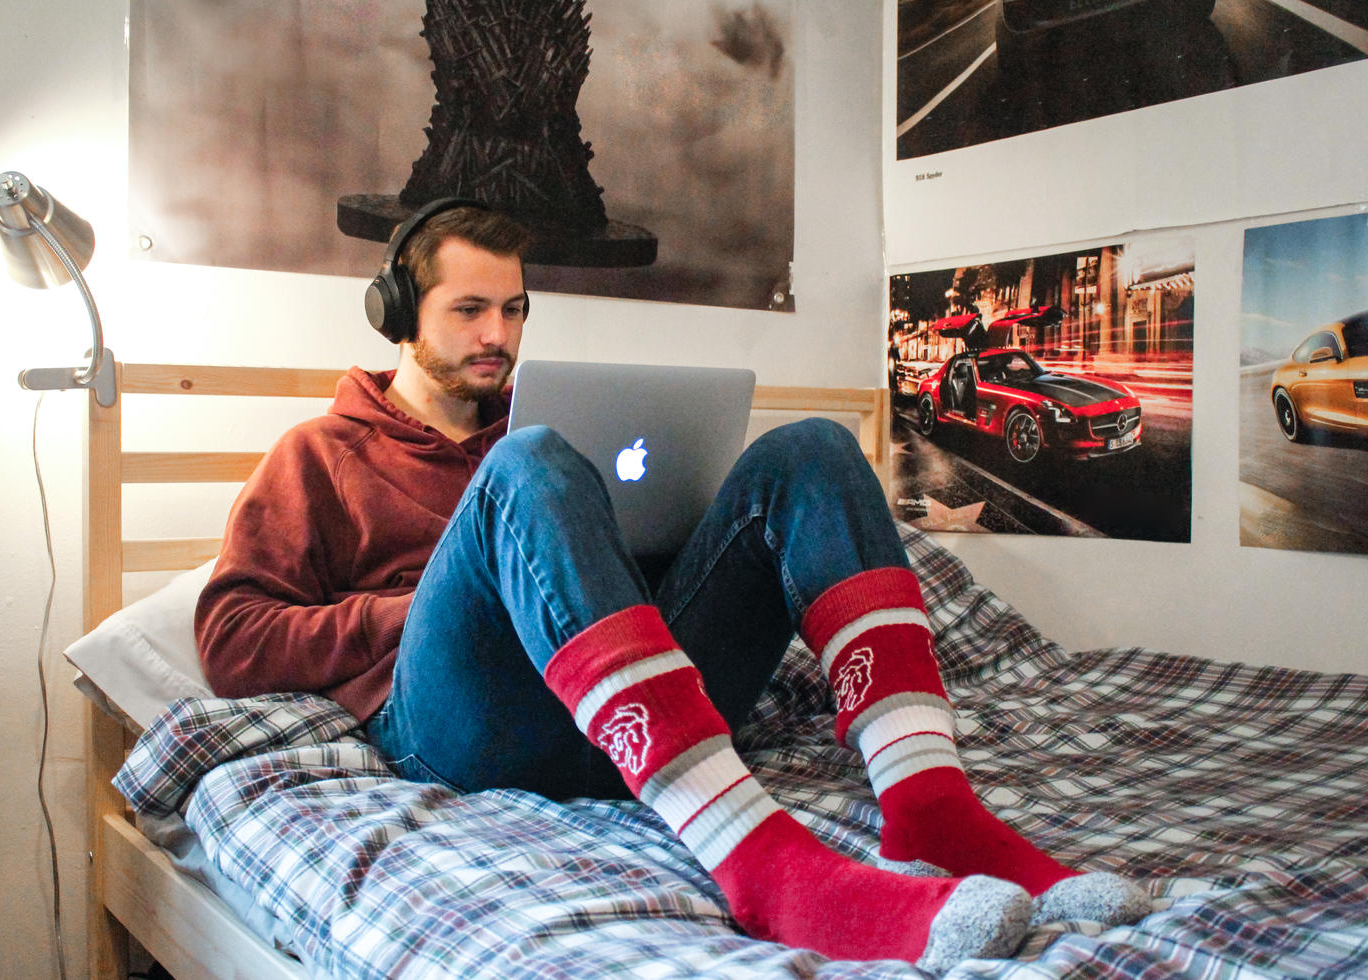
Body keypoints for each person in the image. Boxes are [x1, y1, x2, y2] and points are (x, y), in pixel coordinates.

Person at [196, 202, 1149, 973]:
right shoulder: (321, 454)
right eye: (469, 310)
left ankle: (931, 803)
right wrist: (402, 612)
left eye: (516, 309)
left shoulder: (552, 421)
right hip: (464, 726)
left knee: (809, 447)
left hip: (625, 721)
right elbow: (230, 638)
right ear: (399, 313)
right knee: (530, 464)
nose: (499, 334)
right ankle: (763, 863)